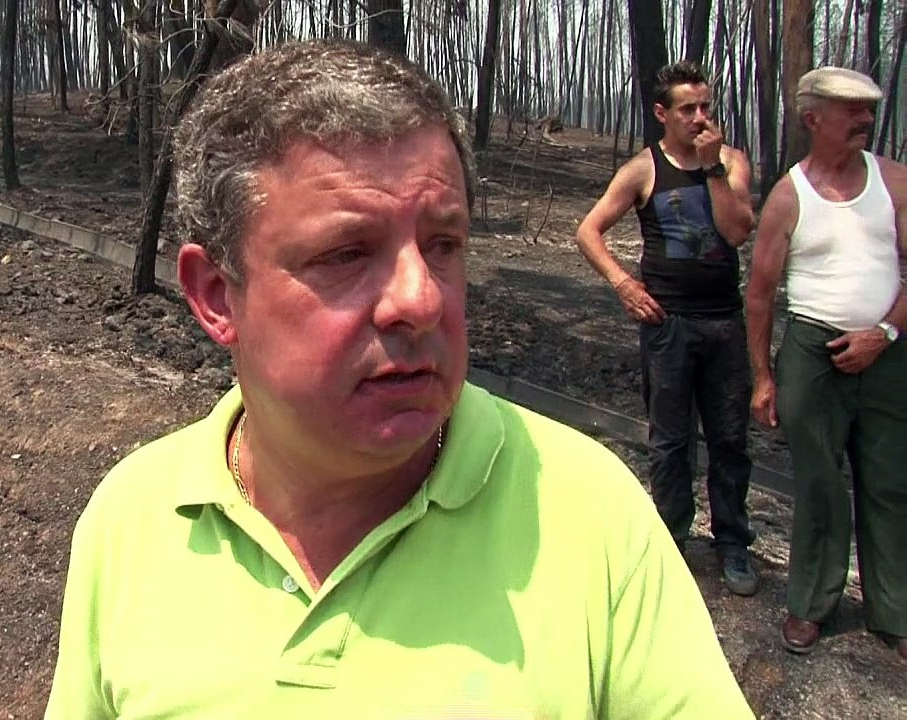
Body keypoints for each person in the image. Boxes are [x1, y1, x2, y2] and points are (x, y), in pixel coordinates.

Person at [45, 41, 754, 718]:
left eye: (443, 245)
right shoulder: (131, 521)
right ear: (216, 296)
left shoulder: (593, 517)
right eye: (347, 253)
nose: (421, 299)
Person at [575, 61, 759, 596]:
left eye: (706, 106)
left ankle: (732, 544)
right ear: (662, 114)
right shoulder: (643, 169)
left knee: (729, 439)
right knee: (670, 441)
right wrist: (623, 285)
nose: (701, 117)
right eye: (688, 109)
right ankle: (671, 539)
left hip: (724, 321)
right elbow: (588, 231)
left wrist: (712, 170)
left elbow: (737, 232)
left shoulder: (731, 163)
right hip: (668, 325)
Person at [745, 66, 906, 660]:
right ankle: (811, 605)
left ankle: (895, 610)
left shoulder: (894, 182)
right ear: (813, 118)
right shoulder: (790, 195)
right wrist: (763, 379)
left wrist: (885, 332)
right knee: (818, 484)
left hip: (888, 353)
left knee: (890, 481)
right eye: (850, 111)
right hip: (813, 355)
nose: (864, 119)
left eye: (868, 110)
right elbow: (760, 293)